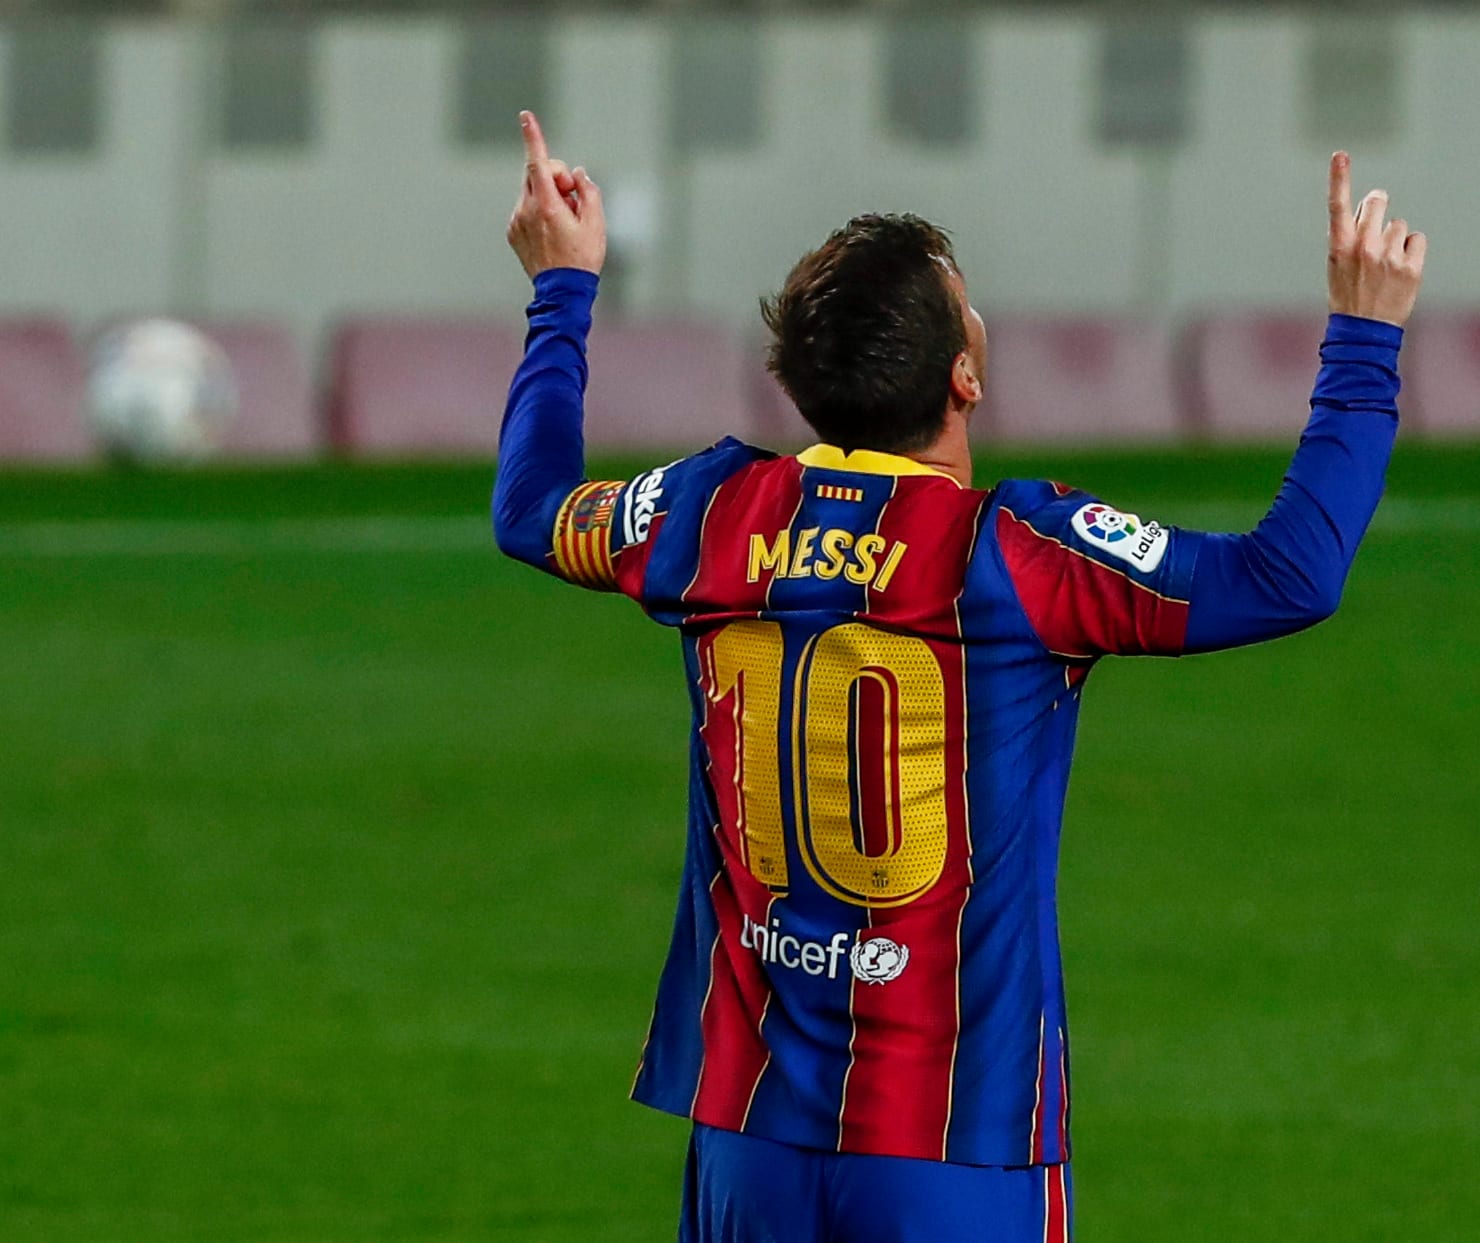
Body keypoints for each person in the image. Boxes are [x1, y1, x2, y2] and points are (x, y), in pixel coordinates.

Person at [493, 110, 1424, 1243]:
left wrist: (562, 289)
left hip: (747, 1140)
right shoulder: (1016, 555)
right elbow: (1289, 575)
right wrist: (1365, 334)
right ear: (965, 375)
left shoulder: (709, 511)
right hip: (953, 1144)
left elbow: (530, 509)